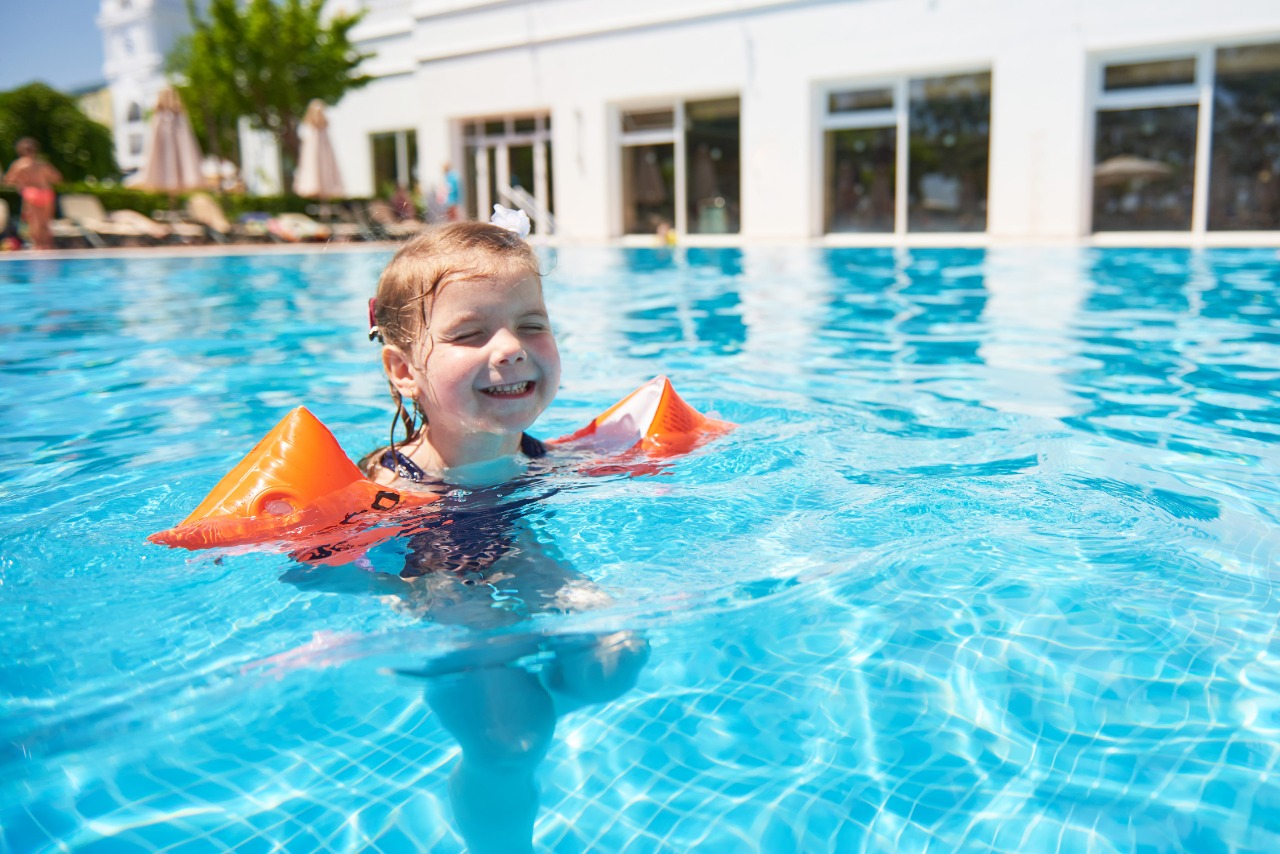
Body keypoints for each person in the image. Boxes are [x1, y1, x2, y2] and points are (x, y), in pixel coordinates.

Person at [360, 206, 648, 853]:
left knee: (620, 655)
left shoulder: (541, 457)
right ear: (404, 371)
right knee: (507, 744)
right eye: (470, 333)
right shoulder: (395, 484)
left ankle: (545, 699)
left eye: (531, 324)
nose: (511, 347)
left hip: (520, 552)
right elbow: (328, 550)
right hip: (439, 581)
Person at [3, 138, 62, 250]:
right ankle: (48, 246)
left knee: (34, 222)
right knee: (46, 222)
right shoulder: (43, 164)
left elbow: (8, 181)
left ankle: (38, 246)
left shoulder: (19, 164)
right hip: (46, 192)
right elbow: (57, 178)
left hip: (31, 193)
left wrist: (20, 182)